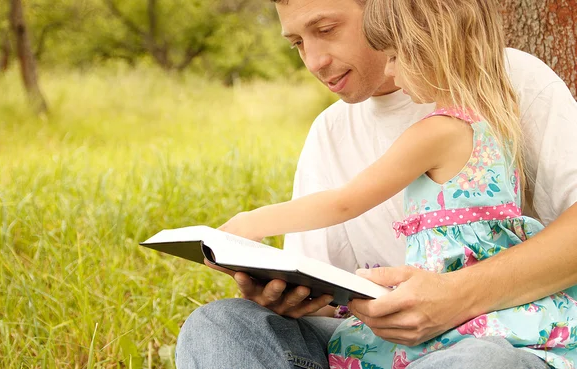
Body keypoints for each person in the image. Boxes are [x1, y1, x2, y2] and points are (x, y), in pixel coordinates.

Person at [175, 0, 577, 367]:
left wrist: (252, 221)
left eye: (326, 28)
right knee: (220, 325)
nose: (313, 61)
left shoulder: (504, 86)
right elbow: (326, 297)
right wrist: (286, 297)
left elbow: (345, 202)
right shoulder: (330, 131)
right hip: (386, 345)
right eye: (297, 42)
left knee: (476, 361)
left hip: (489, 341)